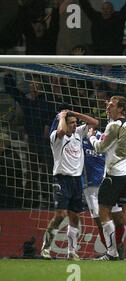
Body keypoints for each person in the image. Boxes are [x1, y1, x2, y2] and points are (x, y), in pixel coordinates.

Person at [88, 95, 126, 261]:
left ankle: (112, 253)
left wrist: (91, 136)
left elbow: (99, 148)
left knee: (103, 212)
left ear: (120, 108)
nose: (108, 108)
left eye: (112, 105)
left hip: (115, 174)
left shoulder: (113, 126)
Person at [41, 109, 98, 260]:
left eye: (75, 123)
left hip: (77, 180)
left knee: (74, 216)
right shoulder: (56, 137)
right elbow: (60, 130)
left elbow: (94, 123)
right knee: (60, 215)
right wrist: (62, 117)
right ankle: (46, 247)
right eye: (71, 123)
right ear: (64, 124)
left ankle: (71, 251)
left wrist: (75, 114)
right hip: (62, 179)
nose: (74, 125)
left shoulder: (78, 134)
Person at [82, 128, 126, 257]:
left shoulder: (105, 138)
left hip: (108, 182)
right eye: (86, 126)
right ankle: (110, 251)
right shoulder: (79, 140)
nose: (90, 128)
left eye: (92, 125)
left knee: (119, 219)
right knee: (100, 222)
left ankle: (118, 245)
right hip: (90, 187)